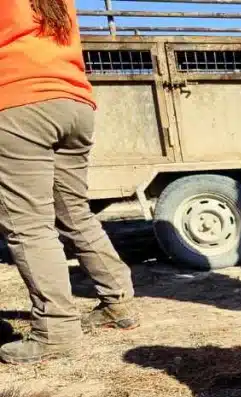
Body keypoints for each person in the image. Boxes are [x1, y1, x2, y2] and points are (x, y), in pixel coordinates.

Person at [0, 0, 138, 365]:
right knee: (74, 212)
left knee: (29, 226)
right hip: (73, 103)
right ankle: (118, 302)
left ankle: (57, 332)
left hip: (17, 103)